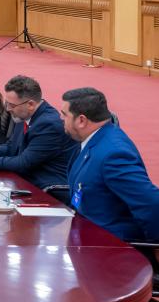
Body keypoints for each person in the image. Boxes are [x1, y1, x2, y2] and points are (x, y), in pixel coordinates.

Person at [59, 87, 159, 242]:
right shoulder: (92, 139)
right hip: (84, 235)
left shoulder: (113, 155)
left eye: (64, 114)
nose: (61, 118)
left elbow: (151, 203)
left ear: (81, 120)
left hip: (109, 246)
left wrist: (154, 247)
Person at [0, 75, 78, 201]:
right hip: (23, 181)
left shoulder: (48, 125)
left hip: (47, 191)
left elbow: (23, 163)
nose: (8, 109)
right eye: (7, 103)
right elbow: (11, 146)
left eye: (11, 105)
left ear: (30, 104)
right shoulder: (24, 114)